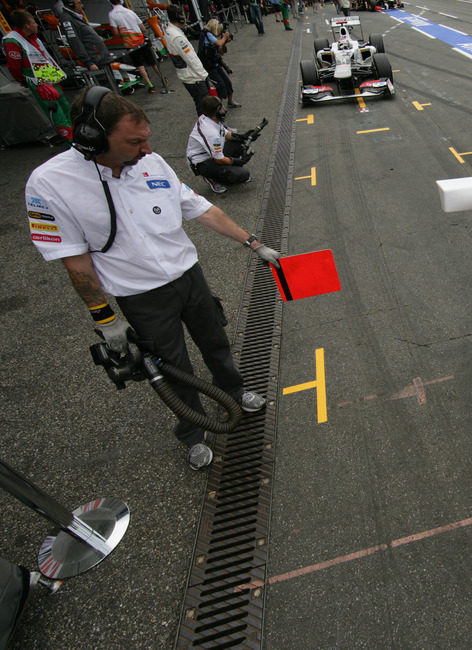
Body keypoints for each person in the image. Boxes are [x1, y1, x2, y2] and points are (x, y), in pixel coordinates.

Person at [24, 88, 280, 470]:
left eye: (146, 138)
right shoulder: (49, 184)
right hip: (141, 296)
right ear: (92, 137)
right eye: (134, 141)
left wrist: (254, 243)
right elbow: (73, 259)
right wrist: (105, 319)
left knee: (216, 343)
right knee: (174, 367)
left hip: (188, 277)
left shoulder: (153, 162)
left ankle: (235, 391)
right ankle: (194, 432)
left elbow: (201, 208)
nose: (146, 148)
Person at [3, 10, 73, 140]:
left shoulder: (33, 38)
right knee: (58, 115)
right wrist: (25, 81)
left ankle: (78, 136)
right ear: (26, 25)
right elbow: (14, 67)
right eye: (34, 22)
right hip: (39, 84)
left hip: (51, 79)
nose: (37, 24)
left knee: (66, 108)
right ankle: (70, 142)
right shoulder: (12, 41)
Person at [187, 95, 252, 193]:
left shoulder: (209, 119)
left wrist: (244, 136)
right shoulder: (211, 133)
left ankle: (228, 171)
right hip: (203, 162)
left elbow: (226, 133)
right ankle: (212, 178)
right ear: (216, 111)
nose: (224, 110)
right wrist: (238, 161)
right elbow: (219, 159)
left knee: (238, 142)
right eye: (221, 107)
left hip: (212, 155)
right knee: (244, 174)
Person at [107, 0, 164, 93]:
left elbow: (116, 33)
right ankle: (162, 79)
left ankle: (150, 85)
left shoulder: (112, 14)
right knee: (152, 61)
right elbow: (143, 29)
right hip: (141, 40)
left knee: (139, 64)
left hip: (129, 43)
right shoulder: (130, 12)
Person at [164, 5, 210, 115]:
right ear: (179, 17)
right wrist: (204, 75)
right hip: (194, 78)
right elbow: (191, 59)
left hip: (188, 76)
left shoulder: (170, 31)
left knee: (202, 105)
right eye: (184, 15)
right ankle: (206, 130)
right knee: (204, 107)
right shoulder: (177, 37)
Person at [54, 0, 112, 75]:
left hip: (100, 57)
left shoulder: (76, 16)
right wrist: (88, 63)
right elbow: (75, 42)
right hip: (95, 60)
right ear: (70, 4)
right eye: (79, 3)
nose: (82, 6)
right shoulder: (66, 19)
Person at [198, 19, 239, 109]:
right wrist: (224, 38)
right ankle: (219, 108)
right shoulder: (207, 34)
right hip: (209, 66)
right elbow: (218, 43)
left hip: (215, 64)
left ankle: (230, 102)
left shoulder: (211, 36)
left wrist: (225, 42)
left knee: (227, 83)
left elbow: (221, 52)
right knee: (220, 86)